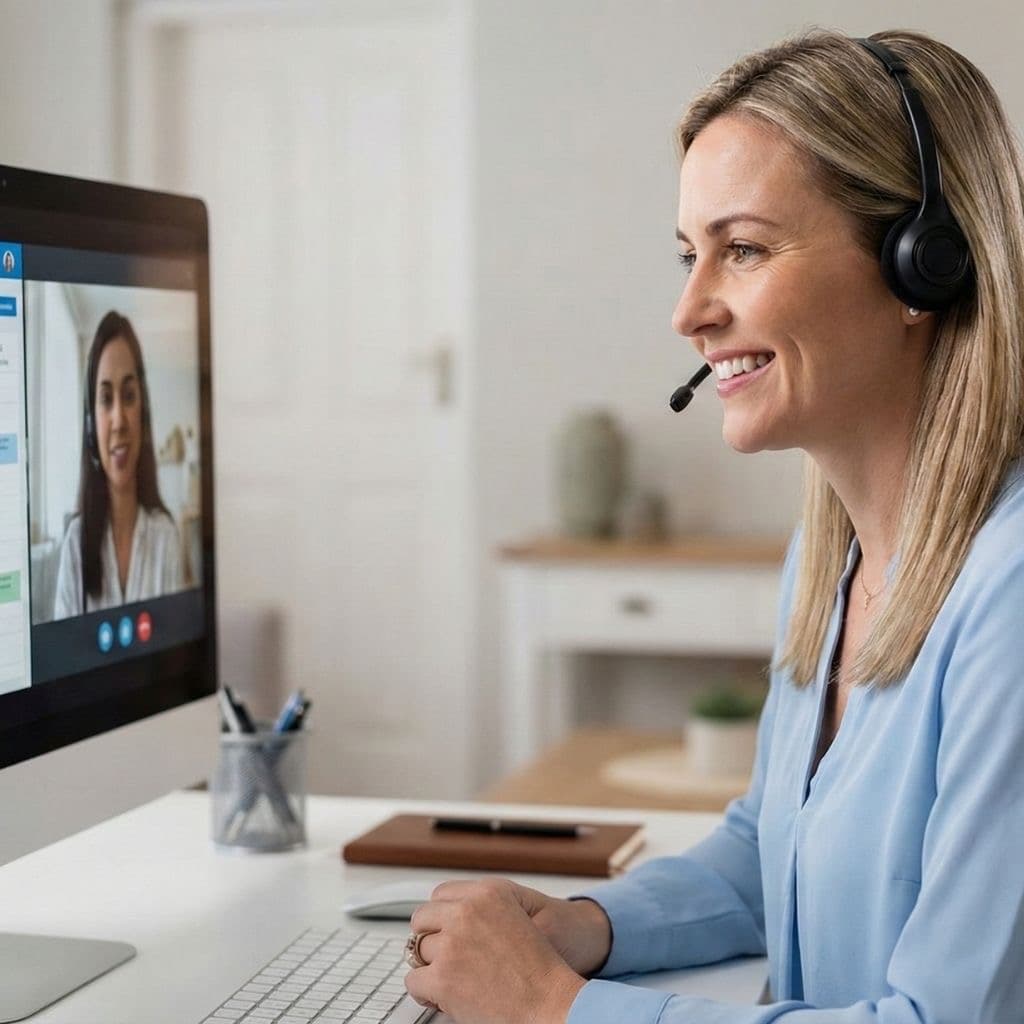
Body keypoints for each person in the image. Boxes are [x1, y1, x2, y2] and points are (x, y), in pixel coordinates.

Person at [399, 29, 1024, 1023]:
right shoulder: (833, 563)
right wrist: (584, 926)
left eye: (742, 249)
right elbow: (764, 847)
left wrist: (554, 1008)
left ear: (923, 266)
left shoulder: (1010, 597)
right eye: (690, 256)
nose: (689, 309)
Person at [54, 310, 182, 618]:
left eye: (128, 396)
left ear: (144, 412)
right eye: (105, 399)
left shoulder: (166, 537)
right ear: (90, 424)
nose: (118, 421)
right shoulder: (75, 545)